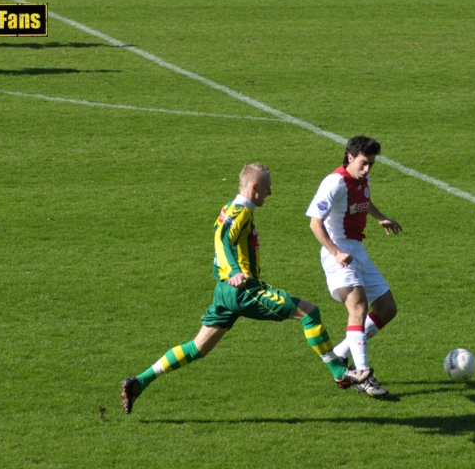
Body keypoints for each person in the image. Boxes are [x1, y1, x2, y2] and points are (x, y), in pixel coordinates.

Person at [121, 163, 370, 414]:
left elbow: (222, 235)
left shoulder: (232, 208)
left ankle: (139, 382)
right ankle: (339, 372)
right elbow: (221, 239)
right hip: (242, 289)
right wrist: (234, 272)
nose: (270, 193)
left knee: (197, 348)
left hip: (224, 292)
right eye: (267, 188)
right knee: (309, 312)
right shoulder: (239, 212)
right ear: (254, 188)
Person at [306, 135, 402, 398]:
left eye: (371, 164)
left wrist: (380, 218)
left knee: (386, 308)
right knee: (358, 307)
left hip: (358, 250)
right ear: (350, 157)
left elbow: (362, 200)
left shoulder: (362, 178)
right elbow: (315, 222)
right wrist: (336, 252)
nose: (368, 169)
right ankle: (362, 375)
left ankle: (338, 354)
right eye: (363, 163)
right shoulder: (335, 182)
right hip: (337, 251)